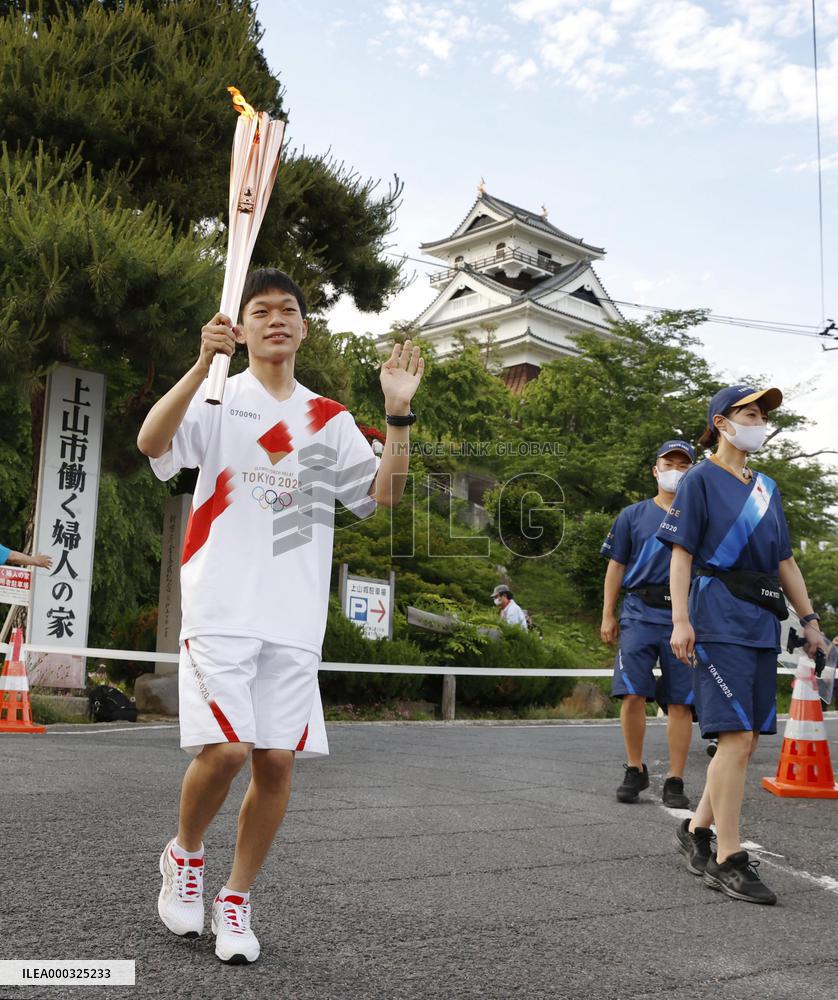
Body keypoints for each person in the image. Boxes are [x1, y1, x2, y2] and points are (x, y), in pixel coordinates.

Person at [137, 268, 424, 963]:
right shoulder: (216, 397)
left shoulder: (326, 419)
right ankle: (186, 854)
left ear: (303, 327)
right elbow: (152, 443)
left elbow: (384, 495)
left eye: (287, 310)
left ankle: (234, 900)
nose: (275, 319)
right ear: (241, 325)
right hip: (222, 604)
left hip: (293, 617)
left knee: (274, 764)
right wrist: (204, 360)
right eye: (259, 310)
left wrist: (396, 415)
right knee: (229, 749)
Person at [658, 385, 823, 905]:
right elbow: (681, 553)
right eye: (749, 413)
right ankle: (728, 857)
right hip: (717, 617)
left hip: (759, 622)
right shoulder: (700, 479)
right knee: (732, 738)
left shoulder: (767, 487)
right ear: (722, 423)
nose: (758, 421)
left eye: (762, 414)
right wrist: (681, 620)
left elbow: (785, 561)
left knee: (747, 740)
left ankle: (695, 830)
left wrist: (810, 618)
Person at [600, 440, 696, 806]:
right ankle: (634, 768)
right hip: (639, 610)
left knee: (681, 700)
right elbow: (616, 566)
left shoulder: (700, 518)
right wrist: (608, 614)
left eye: (683, 465)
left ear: (693, 473)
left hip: (683, 615)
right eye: (668, 463)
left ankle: (675, 778)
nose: (675, 469)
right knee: (631, 691)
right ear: (655, 471)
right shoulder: (632, 515)